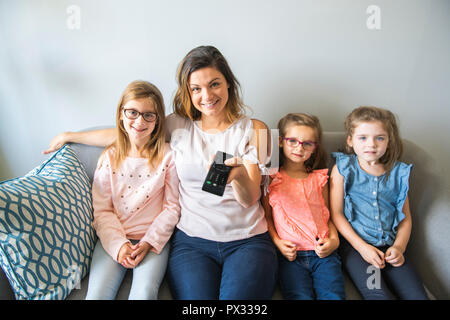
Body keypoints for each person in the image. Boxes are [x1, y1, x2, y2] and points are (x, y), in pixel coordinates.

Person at [44, 46, 278, 300]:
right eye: (196, 88)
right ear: (187, 92)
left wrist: (238, 175)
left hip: (247, 240)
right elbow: (128, 135)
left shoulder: (257, 129)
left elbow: (252, 198)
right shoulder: (177, 124)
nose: (207, 95)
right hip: (192, 243)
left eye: (214, 84)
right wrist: (70, 136)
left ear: (229, 84)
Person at [85, 80, 180, 300]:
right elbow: (102, 211)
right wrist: (119, 246)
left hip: (152, 240)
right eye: (133, 113)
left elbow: (172, 207)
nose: (140, 121)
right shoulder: (109, 157)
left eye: (149, 115)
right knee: (96, 295)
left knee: (144, 293)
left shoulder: (169, 156)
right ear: (121, 114)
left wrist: (148, 242)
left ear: (157, 120)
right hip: (113, 236)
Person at [329, 106, 429, 300]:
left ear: (389, 141)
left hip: (391, 247)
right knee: (378, 295)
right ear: (350, 141)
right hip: (358, 250)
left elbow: (405, 218)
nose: (371, 144)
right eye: (363, 137)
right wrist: (362, 247)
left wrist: (399, 248)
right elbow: (337, 214)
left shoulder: (398, 173)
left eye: (380, 138)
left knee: (417, 296)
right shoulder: (343, 168)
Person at [261, 113, 345, 300]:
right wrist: (278, 243)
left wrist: (334, 240)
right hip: (290, 257)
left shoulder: (319, 178)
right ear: (281, 142)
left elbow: (327, 215)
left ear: (315, 148)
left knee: (333, 296)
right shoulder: (271, 179)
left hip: (323, 253)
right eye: (293, 141)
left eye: (307, 143)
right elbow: (266, 217)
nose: (299, 148)